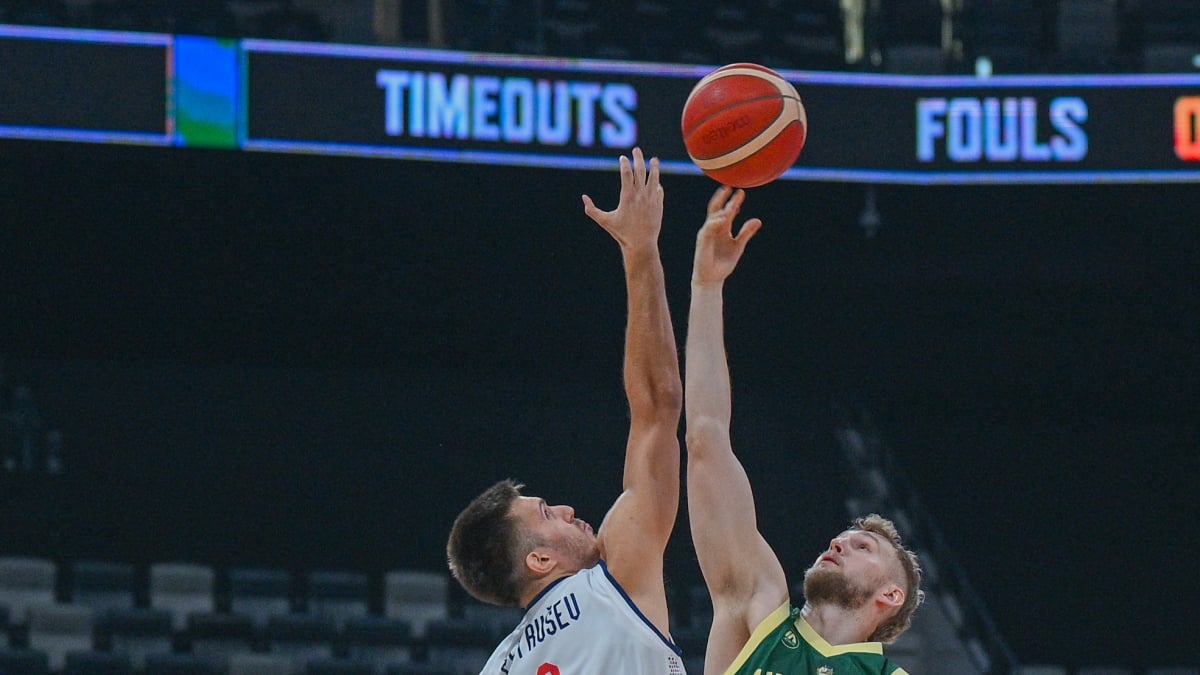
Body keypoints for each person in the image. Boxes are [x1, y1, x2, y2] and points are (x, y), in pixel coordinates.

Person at [447, 148, 686, 675]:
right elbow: (659, 404)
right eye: (548, 514)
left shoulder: (497, 666)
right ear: (539, 560)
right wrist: (640, 251)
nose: (570, 510)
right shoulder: (610, 582)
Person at [684, 186, 924, 675]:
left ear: (891, 595)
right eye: (844, 538)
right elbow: (705, 440)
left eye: (863, 548)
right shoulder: (759, 606)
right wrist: (706, 288)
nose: (838, 543)